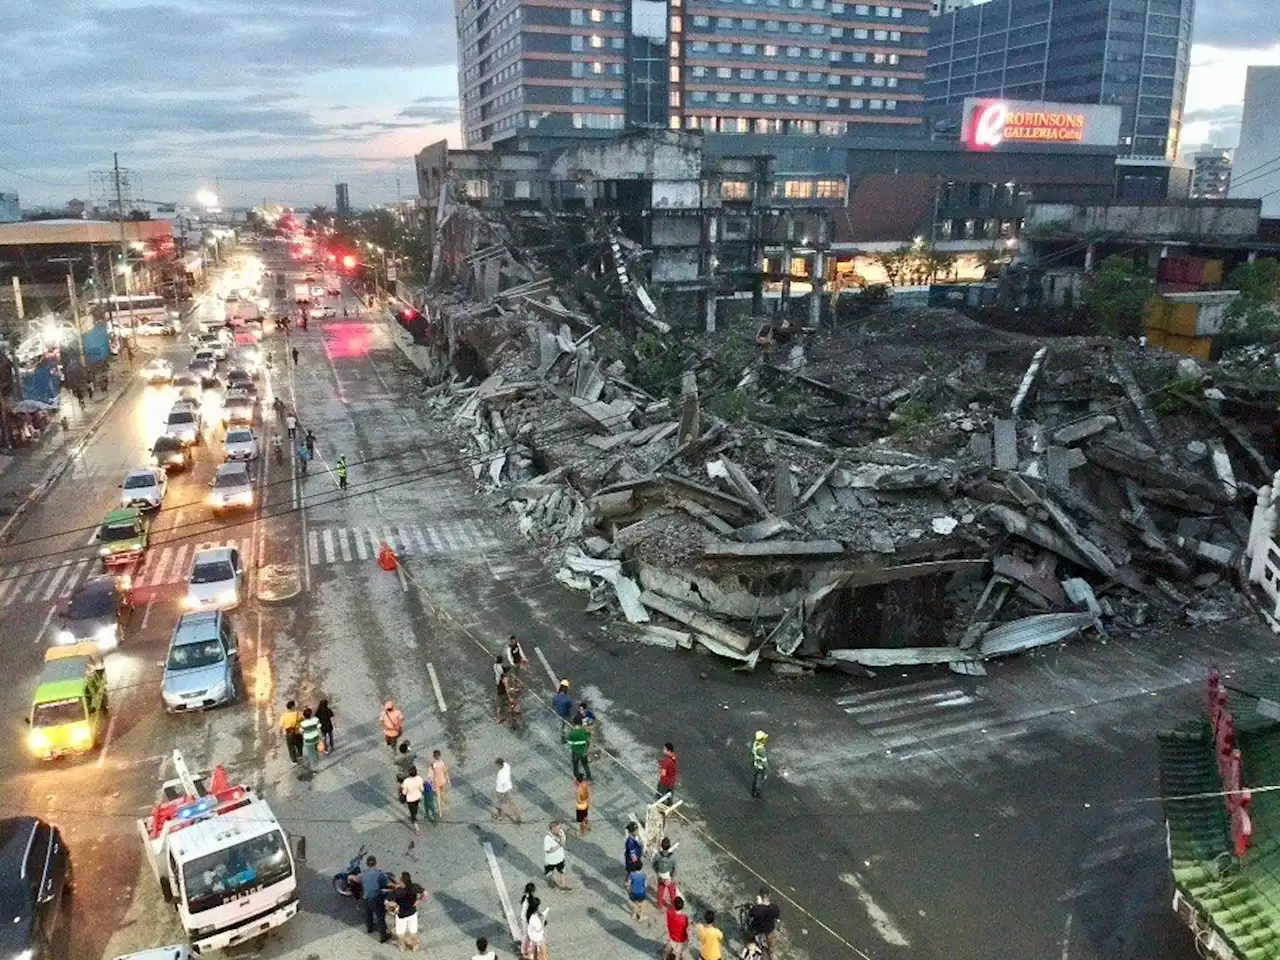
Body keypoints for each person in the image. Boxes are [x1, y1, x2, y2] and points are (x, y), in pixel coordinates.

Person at [387, 872, 425, 951]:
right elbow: (426, 893)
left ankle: (402, 946)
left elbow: (388, 902)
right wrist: (419, 900)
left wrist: (393, 908)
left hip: (401, 916)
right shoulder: (415, 886)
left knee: (400, 933)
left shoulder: (397, 891)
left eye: (400, 881)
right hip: (412, 914)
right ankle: (415, 946)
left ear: (403, 882)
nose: (399, 882)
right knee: (413, 932)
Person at [358, 855, 392, 942]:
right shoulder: (379, 874)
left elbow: (358, 879)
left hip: (365, 897)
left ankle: (369, 928)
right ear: (375, 863)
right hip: (375, 898)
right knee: (380, 916)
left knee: (368, 914)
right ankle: (383, 936)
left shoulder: (363, 873)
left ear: (367, 864)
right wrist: (397, 886)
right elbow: (387, 884)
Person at [747, 888, 780, 955]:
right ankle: (770, 950)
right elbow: (776, 916)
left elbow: (751, 914)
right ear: (769, 896)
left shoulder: (757, 909)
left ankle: (750, 945)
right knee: (770, 938)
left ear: (760, 897)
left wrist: (758, 905)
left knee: (749, 934)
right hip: (769, 927)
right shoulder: (775, 908)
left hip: (757, 927)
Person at [543, 821, 571, 890]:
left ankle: (563, 885)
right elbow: (548, 850)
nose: (559, 830)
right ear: (552, 829)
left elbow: (563, 843)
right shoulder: (547, 838)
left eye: (559, 828)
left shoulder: (561, 832)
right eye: (557, 829)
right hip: (550, 860)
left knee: (562, 871)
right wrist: (558, 846)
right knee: (550, 872)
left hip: (560, 858)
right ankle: (552, 882)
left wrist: (562, 837)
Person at [493, 758, 522, 823]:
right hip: (508, 788)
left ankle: (502, 815)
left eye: (497, 765)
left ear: (499, 765)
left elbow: (500, 783)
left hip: (502, 790)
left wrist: (498, 791)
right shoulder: (507, 766)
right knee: (511, 802)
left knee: (503, 803)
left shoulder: (501, 773)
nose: (496, 767)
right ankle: (518, 816)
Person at [653, 837, 678, 909]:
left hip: (660, 876)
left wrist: (657, 872)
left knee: (660, 891)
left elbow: (653, 865)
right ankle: (673, 906)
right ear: (669, 846)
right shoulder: (672, 857)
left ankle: (660, 905)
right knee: (672, 892)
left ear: (661, 846)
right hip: (668, 877)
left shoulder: (658, 855)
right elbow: (675, 868)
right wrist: (673, 878)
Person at [401, 765, 426, 832]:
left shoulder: (406, 781)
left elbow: (404, 792)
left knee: (411, 811)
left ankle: (415, 825)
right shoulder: (419, 778)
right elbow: (422, 789)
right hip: (417, 797)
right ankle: (415, 815)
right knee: (416, 807)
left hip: (410, 799)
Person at [666, 895, 690, 960]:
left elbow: (668, 922)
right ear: (682, 906)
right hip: (681, 938)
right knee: (679, 953)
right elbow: (686, 928)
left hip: (672, 936)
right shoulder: (684, 918)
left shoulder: (669, 913)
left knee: (672, 948)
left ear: (673, 905)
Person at [280, 700, 303, 764]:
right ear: (293, 707)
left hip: (289, 734)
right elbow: (302, 719)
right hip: (297, 732)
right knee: (299, 745)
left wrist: (282, 732)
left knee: (291, 747)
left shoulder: (284, 716)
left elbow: (281, 725)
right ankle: (300, 755)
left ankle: (294, 760)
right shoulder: (298, 714)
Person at [429, 749, 451, 815]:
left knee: (438, 796)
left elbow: (430, 775)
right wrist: (448, 780)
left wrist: (431, 783)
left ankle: (440, 811)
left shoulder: (433, 765)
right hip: (443, 781)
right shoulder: (442, 763)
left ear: (433, 756)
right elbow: (445, 772)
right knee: (443, 793)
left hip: (436, 782)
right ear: (440, 756)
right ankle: (444, 802)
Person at [751, 730, 769, 798]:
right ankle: (757, 793)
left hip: (756, 765)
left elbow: (753, 754)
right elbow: (764, 761)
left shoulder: (755, 744)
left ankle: (753, 791)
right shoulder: (761, 750)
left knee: (755, 778)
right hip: (760, 767)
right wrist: (767, 769)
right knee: (759, 779)